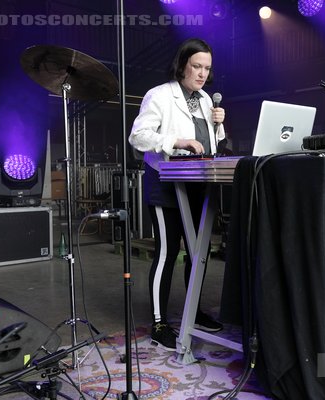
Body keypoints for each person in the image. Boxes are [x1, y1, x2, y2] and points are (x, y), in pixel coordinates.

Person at [128, 38, 226, 351]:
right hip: (165, 182)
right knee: (168, 251)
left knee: (200, 253)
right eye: (196, 66)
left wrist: (219, 126)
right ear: (182, 64)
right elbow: (138, 136)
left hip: (198, 183)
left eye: (207, 68)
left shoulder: (207, 99)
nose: (201, 73)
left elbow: (210, 145)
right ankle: (159, 323)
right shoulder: (159, 95)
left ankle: (193, 311)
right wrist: (178, 142)